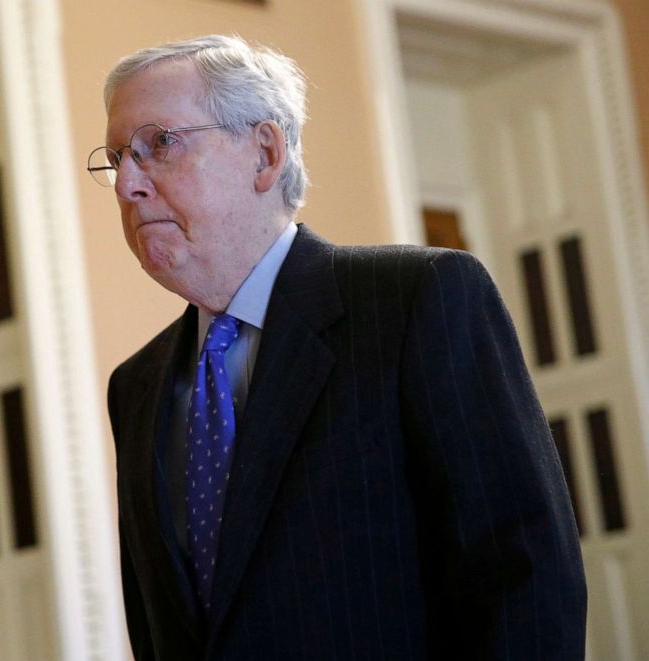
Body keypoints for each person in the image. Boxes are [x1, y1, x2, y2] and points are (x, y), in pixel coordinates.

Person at [94, 34, 586, 660]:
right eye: (117, 158)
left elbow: (524, 571)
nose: (127, 184)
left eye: (158, 144)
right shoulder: (136, 386)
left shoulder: (418, 300)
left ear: (264, 153)